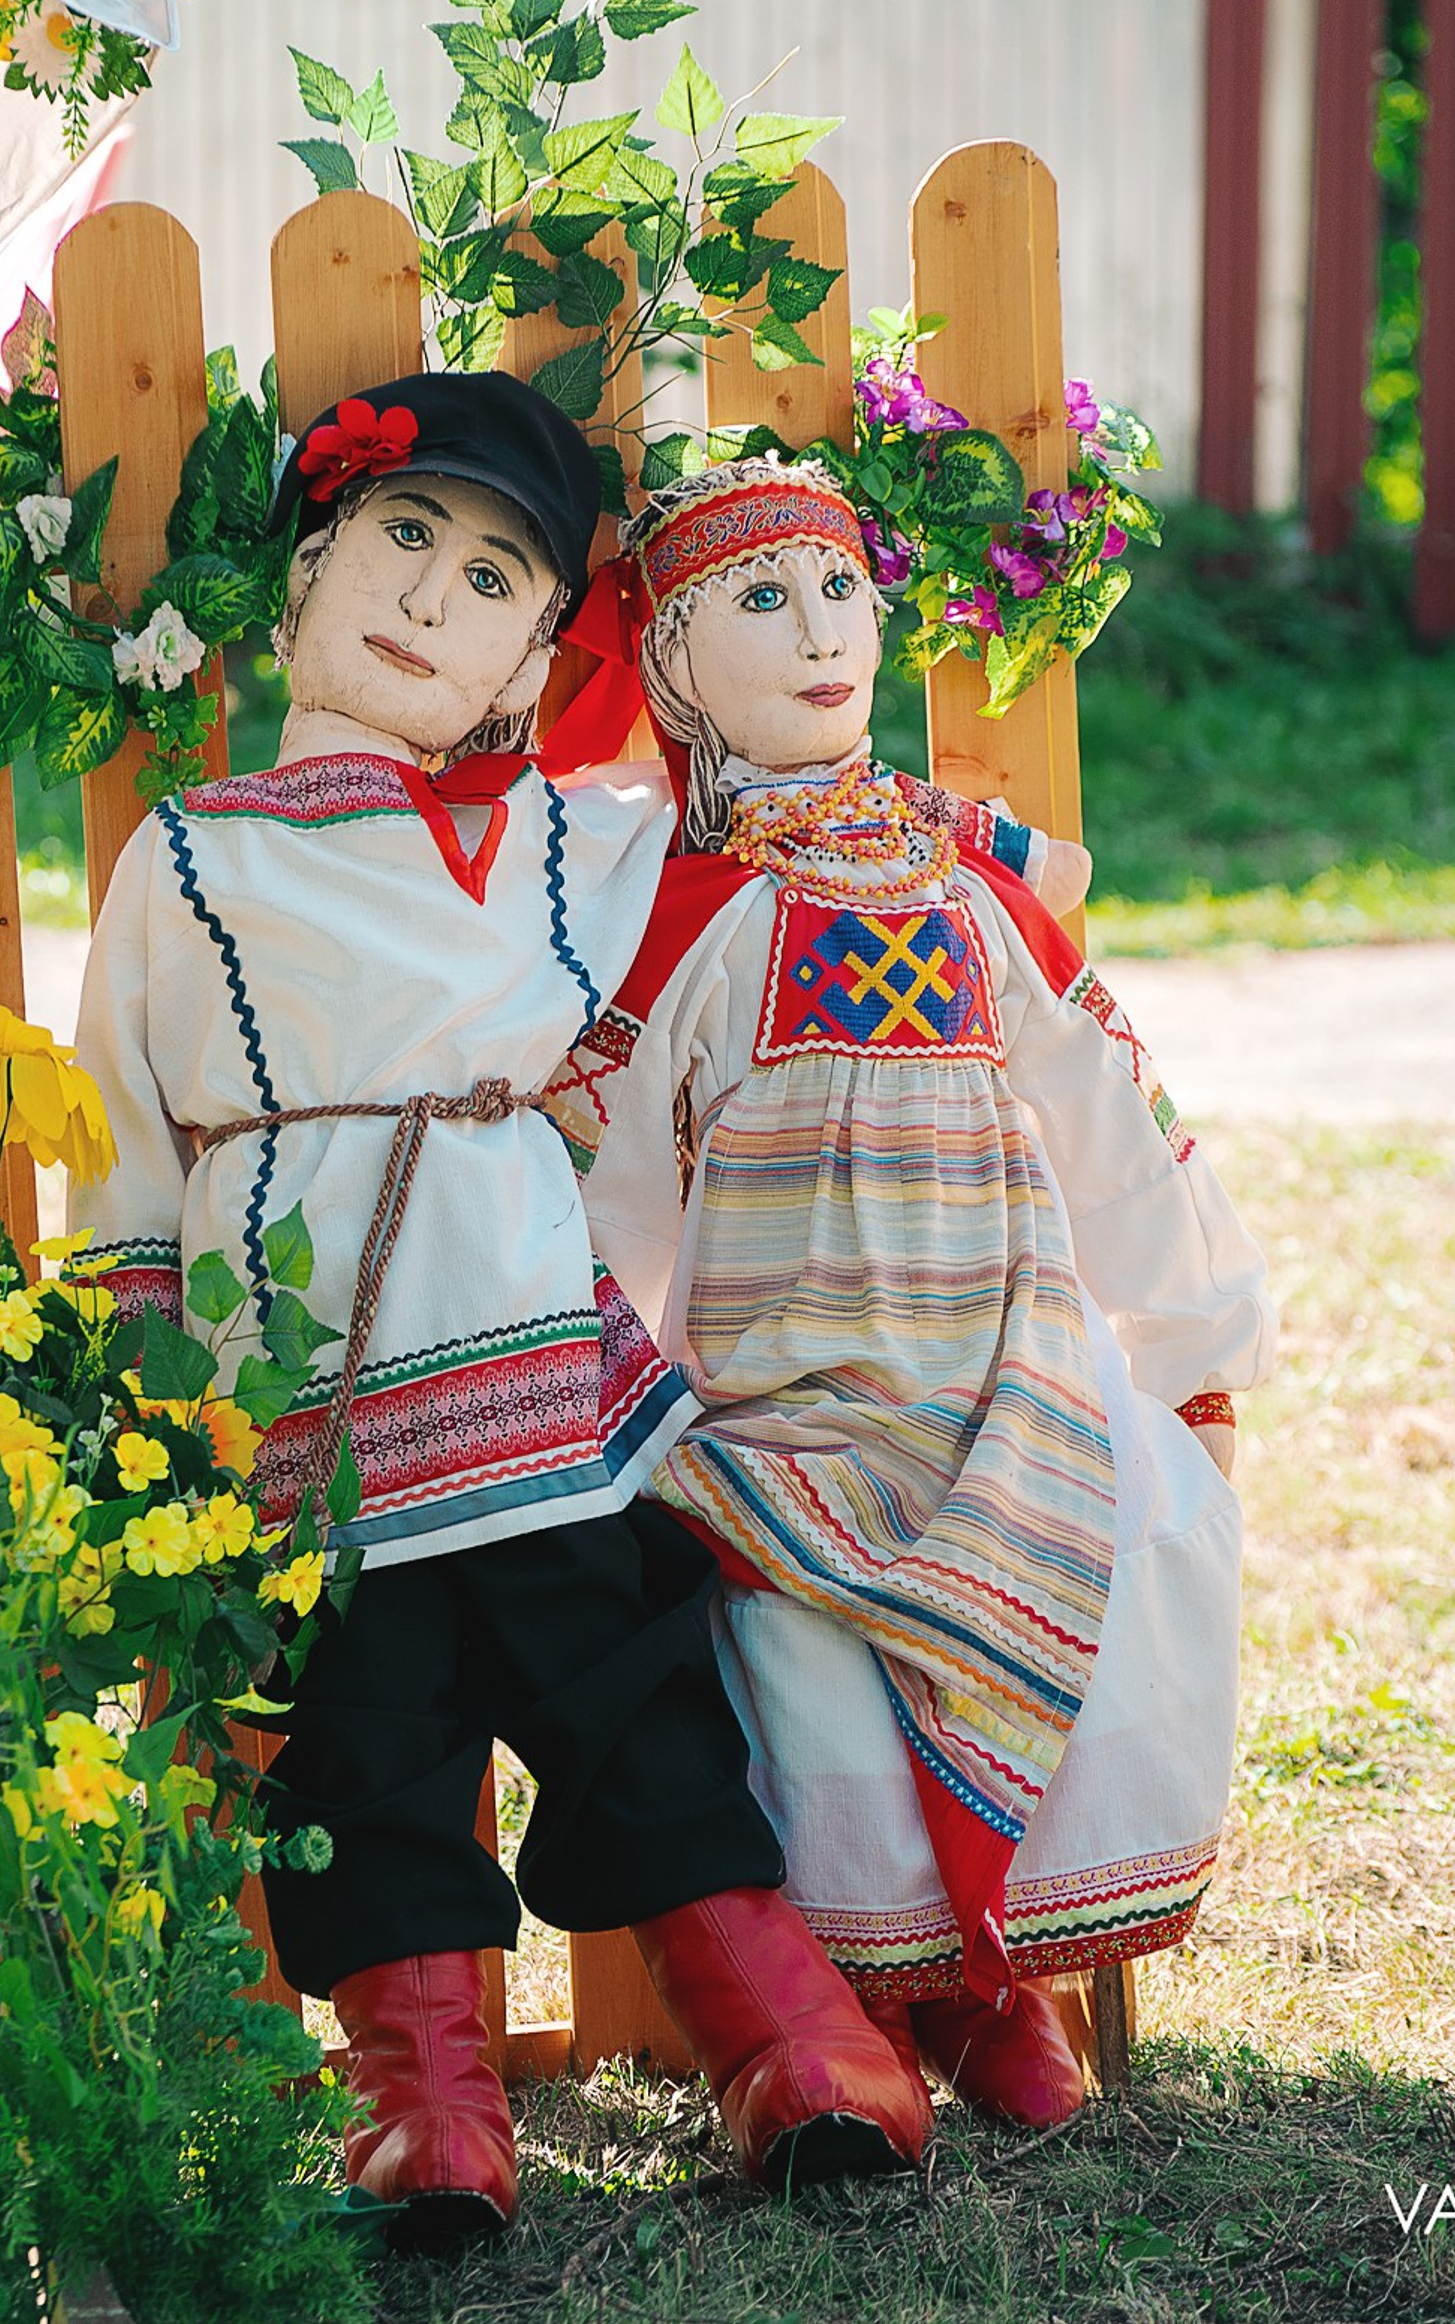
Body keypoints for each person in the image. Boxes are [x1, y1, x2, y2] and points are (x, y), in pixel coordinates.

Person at [71, 376, 935, 2248]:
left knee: (630, 1683)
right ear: (301, 577)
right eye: (400, 540)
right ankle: (427, 2099)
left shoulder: (579, 837)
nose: (428, 599)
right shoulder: (191, 851)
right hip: (298, 1372)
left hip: (531, 1354)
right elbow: (126, 1147)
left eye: (491, 581)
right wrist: (140, 1388)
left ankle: (777, 2037)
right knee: (365, 1726)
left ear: (536, 655)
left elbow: (758, 794)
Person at [548, 456, 1273, 2126]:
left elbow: (1107, 1104)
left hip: (1006, 1371)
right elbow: (606, 1178)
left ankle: (1005, 1974)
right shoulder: (681, 922)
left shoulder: (969, 892)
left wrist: (1193, 1347)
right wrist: (611, 1391)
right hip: (791, 1395)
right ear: (671, 663)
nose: (818, 634)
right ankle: (885, 1989)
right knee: (803, 1637)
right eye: (758, 599)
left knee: (1105, 1565)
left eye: (838, 592)